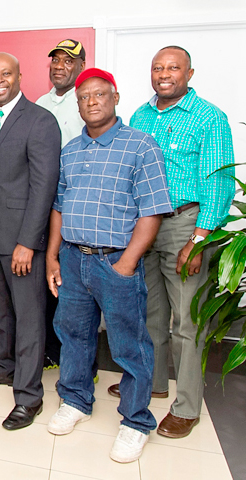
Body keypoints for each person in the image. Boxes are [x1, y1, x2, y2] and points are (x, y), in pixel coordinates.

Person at [106, 46, 235, 439]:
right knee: (151, 317)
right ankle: (155, 383)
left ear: (189, 73)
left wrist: (198, 239)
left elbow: (219, 180)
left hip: (185, 224)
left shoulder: (209, 118)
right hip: (145, 226)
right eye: (158, 67)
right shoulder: (141, 116)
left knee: (187, 324)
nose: (164, 74)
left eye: (173, 67)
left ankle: (188, 407)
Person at [46, 68, 173, 463]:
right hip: (72, 258)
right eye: (84, 97)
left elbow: (151, 211)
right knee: (73, 335)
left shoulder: (141, 146)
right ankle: (76, 400)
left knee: (129, 344)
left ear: (115, 97)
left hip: (116, 261)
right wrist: (52, 254)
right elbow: (59, 207)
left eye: (99, 95)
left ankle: (136, 422)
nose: (91, 102)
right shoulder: (71, 150)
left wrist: (127, 264)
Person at [0, 52, 61, 432]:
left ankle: (28, 396)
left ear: (21, 76)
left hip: (21, 241)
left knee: (29, 317)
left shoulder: (40, 120)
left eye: (6, 74)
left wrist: (29, 241)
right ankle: (4, 367)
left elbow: (43, 187)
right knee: (0, 312)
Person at [35, 39, 86, 371]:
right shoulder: (40, 102)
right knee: (46, 281)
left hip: (74, 204)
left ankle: (79, 362)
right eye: (55, 60)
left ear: (80, 66)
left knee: (73, 287)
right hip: (42, 203)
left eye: (68, 61)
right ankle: (51, 352)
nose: (59, 66)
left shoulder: (85, 100)